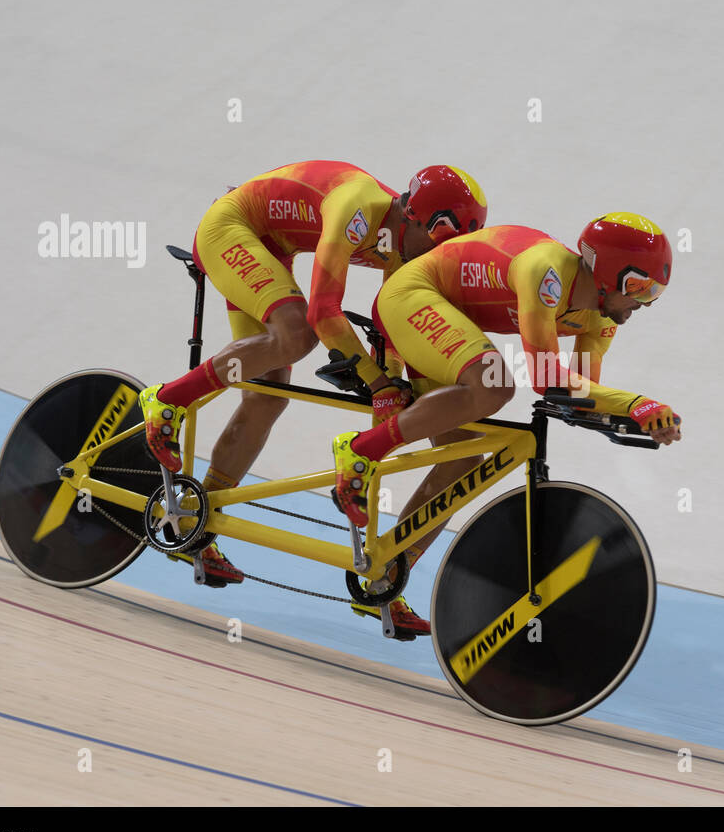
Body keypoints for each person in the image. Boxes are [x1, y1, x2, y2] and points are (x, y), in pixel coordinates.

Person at [138, 161, 486, 613]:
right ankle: (167, 401)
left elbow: (391, 322)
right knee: (296, 335)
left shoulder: (406, 247)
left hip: (273, 247)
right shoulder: (357, 206)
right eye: (442, 243)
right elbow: (324, 310)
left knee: (266, 398)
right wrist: (377, 380)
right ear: (421, 218)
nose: (438, 256)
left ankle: (196, 527)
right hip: (233, 228)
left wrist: (391, 381)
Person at [330, 214, 682, 635]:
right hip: (412, 295)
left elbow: (579, 393)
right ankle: (361, 450)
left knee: (461, 462)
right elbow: (548, 377)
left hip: (448, 313)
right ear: (606, 270)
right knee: (494, 383)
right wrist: (638, 403)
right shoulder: (546, 271)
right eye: (639, 288)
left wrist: (639, 419)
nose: (644, 303)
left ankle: (382, 579)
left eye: (656, 293)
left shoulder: (602, 318)